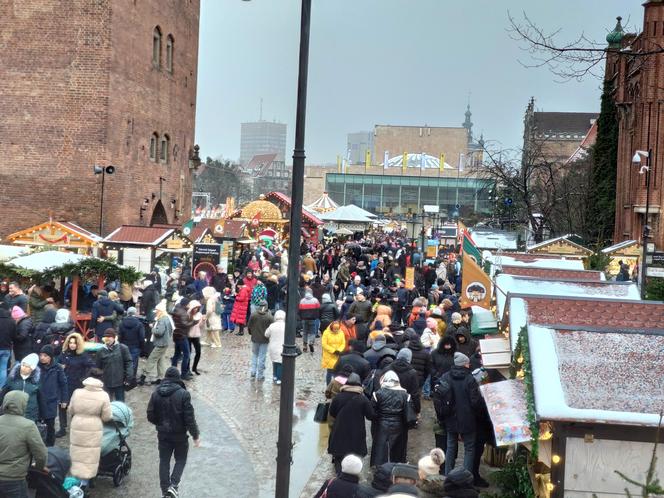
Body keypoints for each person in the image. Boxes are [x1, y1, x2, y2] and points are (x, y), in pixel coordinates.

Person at [147, 367, 201, 498]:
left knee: (164, 460)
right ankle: (173, 485)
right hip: (180, 435)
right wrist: (195, 435)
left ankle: (165, 490)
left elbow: (150, 415)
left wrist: (159, 424)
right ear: (178, 379)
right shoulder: (183, 394)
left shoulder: (155, 393)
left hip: (163, 434)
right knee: (181, 459)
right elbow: (189, 418)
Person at [68, 370, 113, 492]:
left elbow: (70, 409)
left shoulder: (77, 392)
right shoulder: (103, 395)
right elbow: (107, 416)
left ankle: (76, 480)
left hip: (77, 424)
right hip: (93, 426)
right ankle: (85, 482)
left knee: (77, 452)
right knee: (89, 454)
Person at [0, 391, 48, 498]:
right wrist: (39, 468)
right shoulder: (28, 426)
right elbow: (41, 454)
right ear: (23, 405)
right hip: (14, 478)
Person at [441, 352, 482, 475]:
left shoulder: (446, 377)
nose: (469, 364)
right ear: (464, 364)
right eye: (468, 362)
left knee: (451, 447)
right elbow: (475, 402)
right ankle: (466, 478)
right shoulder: (470, 379)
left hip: (450, 418)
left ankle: (448, 475)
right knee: (469, 448)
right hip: (468, 419)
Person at [327, 374, 375, 473]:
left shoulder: (338, 397)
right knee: (354, 457)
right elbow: (371, 415)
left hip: (339, 430)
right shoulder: (362, 399)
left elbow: (332, 412)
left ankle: (339, 475)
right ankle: (351, 476)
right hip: (356, 432)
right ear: (359, 385)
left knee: (339, 456)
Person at [370, 370, 411, 466]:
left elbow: (372, 413)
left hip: (381, 424)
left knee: (380, 448)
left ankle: (380, 468)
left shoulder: (377, 394)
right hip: (399, 425)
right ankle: (396, 466)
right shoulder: (405, 395)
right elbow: (408, 413)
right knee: (397, 449)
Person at [59, 332, 94, 438]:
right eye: (70, 343)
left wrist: (83, 378)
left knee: (76, 408)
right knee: (61, 406)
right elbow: (58, 365)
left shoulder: (83, 355)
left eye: (74, 343)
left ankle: (76, 427)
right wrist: (61, 367)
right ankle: (62, 427)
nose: (72, 345)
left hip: (77, 385)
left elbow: (91, 366)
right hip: (64, 384)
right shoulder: (64, 354)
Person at [37, 345, 68, 446]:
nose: (42, 357)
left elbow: (63, 384)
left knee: (50, 426)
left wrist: (64, 400)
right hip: (38, 401)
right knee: (37, 426)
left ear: (50, 357)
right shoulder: (36, 367)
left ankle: (50, 449)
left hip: (51, 401)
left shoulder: (57, 368)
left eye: (45, 355)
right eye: (41, 355)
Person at [141, 299, 174, 385]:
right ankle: (161, 378)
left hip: (161, 344)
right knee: (160, 360)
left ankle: (143, 377)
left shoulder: (162, 320)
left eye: (157, 311)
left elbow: (159, 332)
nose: (155, 313)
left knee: (152, 359)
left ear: (160, 311)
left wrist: (152, 328)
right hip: (164, 343)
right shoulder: (167, 318)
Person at [1, 353, 42, 421]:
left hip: (30, 415)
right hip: (12, 414)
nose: (24, 368)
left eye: (27, 366)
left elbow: (41, 398)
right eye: (23, 365)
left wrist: (42, 415)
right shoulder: (12, 378)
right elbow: (3, 394)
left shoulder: (36, 381)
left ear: (32, 368)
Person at [96, 329, 133, 402]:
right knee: (106, 404)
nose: (107, 339)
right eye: (105, 337)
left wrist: (128, 377)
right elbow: (98, 367)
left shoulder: (123, 348)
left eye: (109, 337)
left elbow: (129, 363)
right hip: (106, 383)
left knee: (120, 403)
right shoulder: (100, 351)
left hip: (119, 382)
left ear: (114, 337)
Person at [248, 300, 273, 381]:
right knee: (262, 357)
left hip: (255, 338)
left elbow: (249, 326)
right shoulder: (269, 317)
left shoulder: (254, 315)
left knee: (255, 355)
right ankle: (260, 375)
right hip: (265, 339)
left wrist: (251, 333)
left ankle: (253, 372)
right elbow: (271, 329)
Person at [118, 306, 146, 377]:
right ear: (135, 313)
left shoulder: (122, 323)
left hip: (124, 345)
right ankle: (132, 378)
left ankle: (123, 376)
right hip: (135, 346)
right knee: (133, 363)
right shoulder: (139, 324)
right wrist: (142, 347)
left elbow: (120, 336)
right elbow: (141, 337)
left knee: (124, 361)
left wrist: (120, 344)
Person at [171, 298, 194, 380]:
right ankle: (184, 374)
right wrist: (194, 321)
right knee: (186, 354)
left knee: (176, 354)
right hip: (182, 335)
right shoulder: (182, 312)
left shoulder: (176, 309)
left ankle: (172, 370)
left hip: (176, 335)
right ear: (185, 304)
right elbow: (185, 324)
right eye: (188, 304)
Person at [265, 309, 285, 384]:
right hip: (282, 346)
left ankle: (275, 376)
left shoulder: (272, 326)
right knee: (280, 362)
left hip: (273, 346)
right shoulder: (286, 326)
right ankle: (279, 378)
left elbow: (266, 334)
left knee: (274, 361)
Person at [186, 300, 205, 375]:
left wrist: (203, 321)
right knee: (188, 353)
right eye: (194, 308)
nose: (196, 309)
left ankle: (194, 367)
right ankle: (187, 369)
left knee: (198, 352)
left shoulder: (199, 315)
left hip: (196, 336)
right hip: (188, 336)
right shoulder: (187, 314)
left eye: (197, 308)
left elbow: (201, 327)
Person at [299, 289, 321, 353]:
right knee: (312, 332)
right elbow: (318, 309)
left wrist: (301, 318)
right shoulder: (315, 300)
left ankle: (304, 345)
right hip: (312, 319)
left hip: (304, 319)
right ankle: (311, 342)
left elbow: (300, 310)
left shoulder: (302, 301)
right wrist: (316, 317)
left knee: (305, 332)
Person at [0, 305, 16, 388]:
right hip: (6, 348)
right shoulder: (11, 321)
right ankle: (1, 387)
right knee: (3, 368)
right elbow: (14, 336)